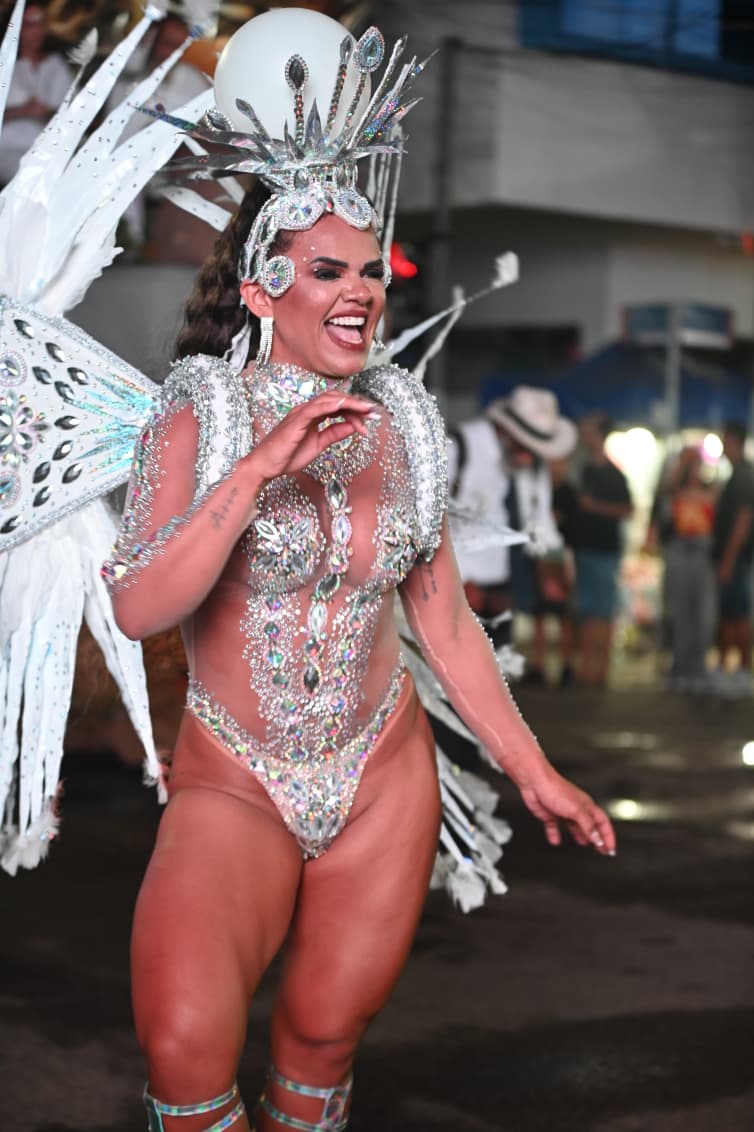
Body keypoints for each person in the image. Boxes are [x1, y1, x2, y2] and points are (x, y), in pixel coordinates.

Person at [95, 13, 617, 1131]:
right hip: (233, 779)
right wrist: (259, 470)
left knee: (322, 1048)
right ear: (261, 287)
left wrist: (533, 770)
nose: (361, 291)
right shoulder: (203, 410)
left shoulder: (407, 419)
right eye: (328, 270)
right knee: (184, 1049)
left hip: (383, 775)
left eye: (372, 271)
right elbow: (140, 605)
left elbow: (446, 624)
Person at [448, 386, 576, 677]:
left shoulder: (531, 465)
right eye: (524, 445)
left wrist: (555, 568)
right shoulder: (460, 447)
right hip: (454, 584)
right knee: (452, 678)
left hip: (499, 585)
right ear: (504, 430)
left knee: (495, 677)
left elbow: (541, 520)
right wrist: (456, 580)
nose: (529, 457)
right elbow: (427, 516)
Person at [570, 412, 633, 688]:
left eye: (590, 431)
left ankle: (601, 670)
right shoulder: (585, 470)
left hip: (605, 551)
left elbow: (628, 509)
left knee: (603, 611)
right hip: (586, 549)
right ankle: (587, 669)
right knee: (587, 611)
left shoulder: (613, 474)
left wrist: (594, 507)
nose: (585, 435)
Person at [645, 446, 716, 691]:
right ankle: (680, 668)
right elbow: (660, 515)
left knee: (702, 614)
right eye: (687, 462)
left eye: (695, 462)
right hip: (678, 554)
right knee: (678, 612)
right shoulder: (670, 493)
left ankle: (698, 669)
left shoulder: (710, 490)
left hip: (702, 555)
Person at [0, 1, 71, 185]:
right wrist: (22, 111)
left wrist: (46, 114)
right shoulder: (5, 65)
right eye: (30, 25)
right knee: (32, 173)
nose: (37, 31)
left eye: (41, 23)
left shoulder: (56, 65)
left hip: (50, 147)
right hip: (8, 147)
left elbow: (71, 114)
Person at [712, 420, 754, 694]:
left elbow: (743, 519)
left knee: (737, 615)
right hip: (734, 557)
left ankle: (742, 671)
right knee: (730, 614)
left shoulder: (743, 476)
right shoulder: (738, 474)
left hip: (736, 558)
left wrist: (728, 559)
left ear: (734, 441)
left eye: (725, 441)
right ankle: (729, 669)